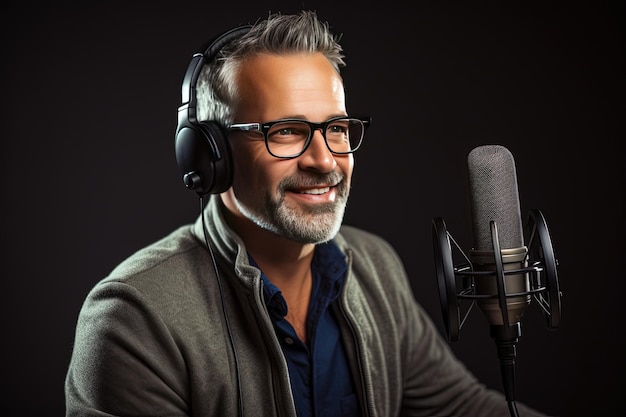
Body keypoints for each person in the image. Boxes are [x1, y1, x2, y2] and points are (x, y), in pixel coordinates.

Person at [65, 10, 548, 417]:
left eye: (336, 128)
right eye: (287, 131)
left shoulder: (374, 266)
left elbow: (460, 406)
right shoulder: (132, 320)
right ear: (211, 155)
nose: (324, 160)